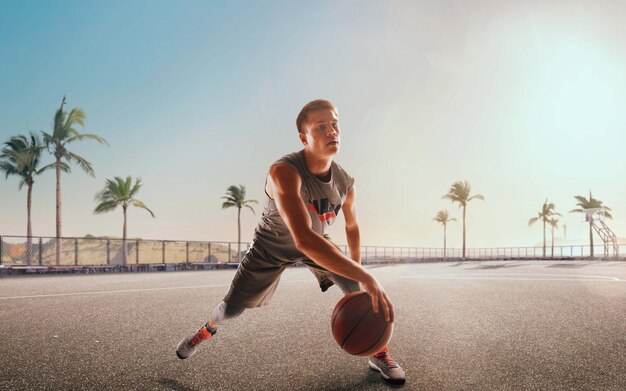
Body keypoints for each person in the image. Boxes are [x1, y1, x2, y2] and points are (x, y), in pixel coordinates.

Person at [176, 99, 405, 385]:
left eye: (335, 125)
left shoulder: (345, 181)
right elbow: (303, 237)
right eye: (321, 127)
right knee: (231, 309)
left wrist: (356, 274)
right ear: (303, 137)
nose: (332, 131)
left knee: (361, 291)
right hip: (270, 247)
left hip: (318, 243)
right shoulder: (284, 171)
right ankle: (207, 330)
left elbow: (352, 226)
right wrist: (366, 274)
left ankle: (378, 351)